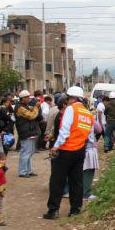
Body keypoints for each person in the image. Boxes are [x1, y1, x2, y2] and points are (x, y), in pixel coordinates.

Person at [44, 86, 94, 220]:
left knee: (57, 181)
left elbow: (64, 131)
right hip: (80, 151)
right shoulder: (88, 114)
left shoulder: (71, 109)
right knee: (76, 181)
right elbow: (90, 137)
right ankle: (75, 209)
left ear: (72, 98)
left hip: (65, 150)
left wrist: (56, 146)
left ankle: (53, 210)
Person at [15, 90, 41, 178]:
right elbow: (31, 116)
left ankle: (28, 170)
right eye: (27, 98)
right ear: (23, 98)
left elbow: (33, 110)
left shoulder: (25, 106)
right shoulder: (20, 107)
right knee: (25, 152)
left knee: (29, 152)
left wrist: (36, 107)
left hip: (29, 131)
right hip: (25, 132)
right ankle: (22, 172)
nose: (29, 99)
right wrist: (36, 108)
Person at [83, 136, 99, 201]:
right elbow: (98, 129)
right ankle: (85, 193)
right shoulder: (88, 125)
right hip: (88, 148)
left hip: (78, 147)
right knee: (88, 170)